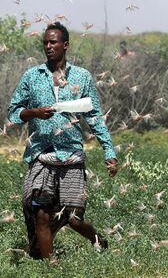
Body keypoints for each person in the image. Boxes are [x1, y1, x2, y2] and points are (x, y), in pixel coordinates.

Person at [7, 22, 118, 261]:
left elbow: (94, 116)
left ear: (65, 45)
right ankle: (50, 267)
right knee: (42, 215)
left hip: (71, 155)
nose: (48, 46)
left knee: (73, 218)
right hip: (42, 154)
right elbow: (14, 113)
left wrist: (108, 149)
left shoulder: (81, 77)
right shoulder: (32, 76)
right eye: (45, 42)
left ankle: (97, 239)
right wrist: (34, 112)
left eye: (53, 42)